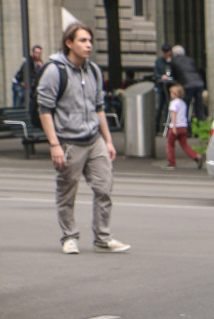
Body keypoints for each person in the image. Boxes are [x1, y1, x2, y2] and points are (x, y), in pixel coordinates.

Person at [37, 23, 129, 254]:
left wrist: (108, 141)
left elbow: (99, 108)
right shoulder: (54, 70)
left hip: (94, 138)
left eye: (90, 40)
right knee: (67, 191)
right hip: (69, 141)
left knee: (104, 187)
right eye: (82, 41)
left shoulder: (94, 70)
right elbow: (44, 109)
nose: (88, 45)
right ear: (69, 43)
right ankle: (69, 236)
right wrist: (54, 145)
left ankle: (103, 237)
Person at [162, 84, 202, 170]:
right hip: (183, 126)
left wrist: (174, 127)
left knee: (170, 145)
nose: (170, 94)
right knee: (184, 145)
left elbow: (173, 115)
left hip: (175, 126)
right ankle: (196, 156)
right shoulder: (183, 103)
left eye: (171, 93)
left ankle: (171, 163)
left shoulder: (173, 103)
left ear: (175, 94)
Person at [170, 45, 206, 124]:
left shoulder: (174, 61)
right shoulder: (190, 59)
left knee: (185, 106)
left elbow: (174, 76)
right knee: (199, 107)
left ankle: (186, 127)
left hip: (187, 84)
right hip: (198, 83)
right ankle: (201, 126)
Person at [154, 43, 173, 132]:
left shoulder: (172, 61)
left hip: (170, 88)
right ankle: (157, 128)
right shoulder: (159, 61)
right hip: (161, 87)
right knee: (159, 107)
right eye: (164, 51)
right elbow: (156, 73)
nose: (165, 53)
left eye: (167, 51)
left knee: (168, 108)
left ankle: (168, 127)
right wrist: (161, 76)